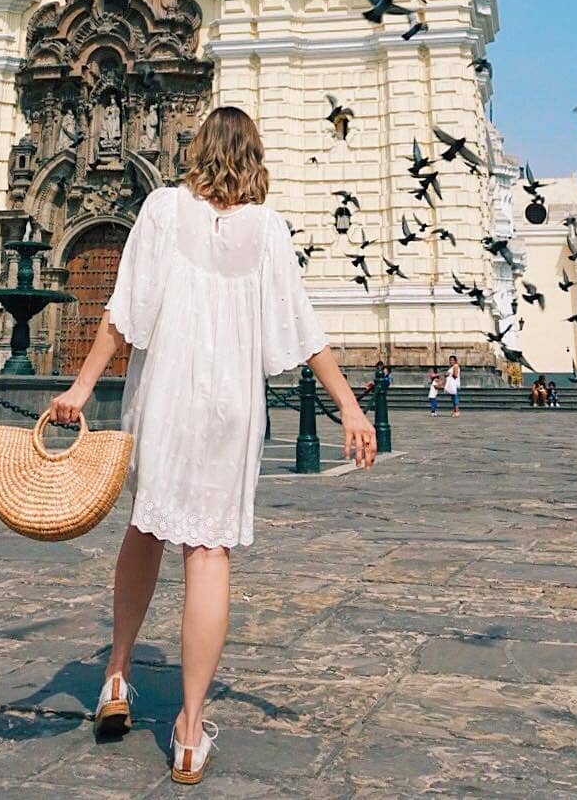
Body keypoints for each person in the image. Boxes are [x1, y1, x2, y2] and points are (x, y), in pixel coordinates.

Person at [47, 106, 376, 786]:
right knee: (209, 551)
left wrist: (80, 389)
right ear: (255, 160)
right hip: (232, 413)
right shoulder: (269, 231)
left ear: (195, 152)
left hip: (166, 399)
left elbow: (122, 315)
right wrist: (350, 406)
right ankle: (191, 731)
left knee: (145, 528)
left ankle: (116, 674)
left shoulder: (163, 211)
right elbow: (306, 332)